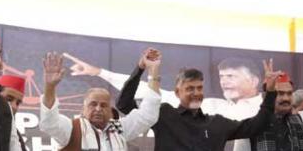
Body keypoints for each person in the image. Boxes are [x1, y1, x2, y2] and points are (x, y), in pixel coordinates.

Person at [66, 53, 264, 119]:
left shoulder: (270, 109)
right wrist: (99, 72)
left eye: (231, 76)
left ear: (254, 81)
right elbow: (150, 92)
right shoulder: (214, 107)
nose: (224, 82)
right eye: (222, 77)